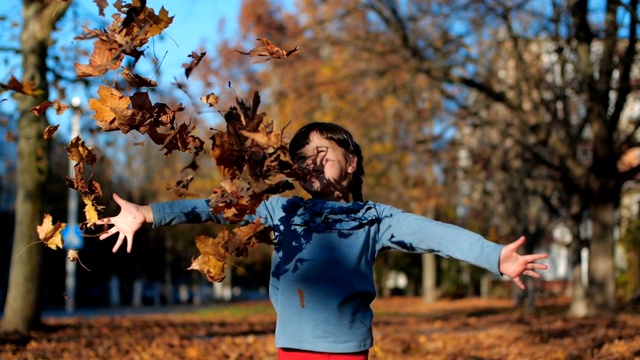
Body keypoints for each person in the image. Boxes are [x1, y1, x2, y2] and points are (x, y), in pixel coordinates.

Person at [97, 122, 548, 360]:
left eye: (321, 154)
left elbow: (436, 234)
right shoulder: (282, 210)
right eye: (301, 161)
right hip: (291, 348)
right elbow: (214, 207)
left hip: (346, 352)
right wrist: (148, 214)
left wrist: (494, 256)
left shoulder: (375, 218)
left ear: (350, 163)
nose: (309, 165)